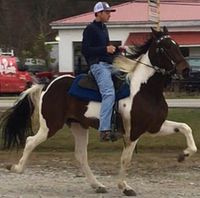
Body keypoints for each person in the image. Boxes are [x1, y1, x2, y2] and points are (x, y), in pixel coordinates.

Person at [81, 2, 117, 141]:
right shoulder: (90, 29)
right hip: (98, 66)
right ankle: (104, 130)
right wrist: (105, 49)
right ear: (98, 13)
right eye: (107, 12)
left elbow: (106, 49)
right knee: (108, 93)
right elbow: (85, 50)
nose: (109, 15)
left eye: (109, 12)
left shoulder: (104, 28)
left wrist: (116, 50)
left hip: (108, 64)